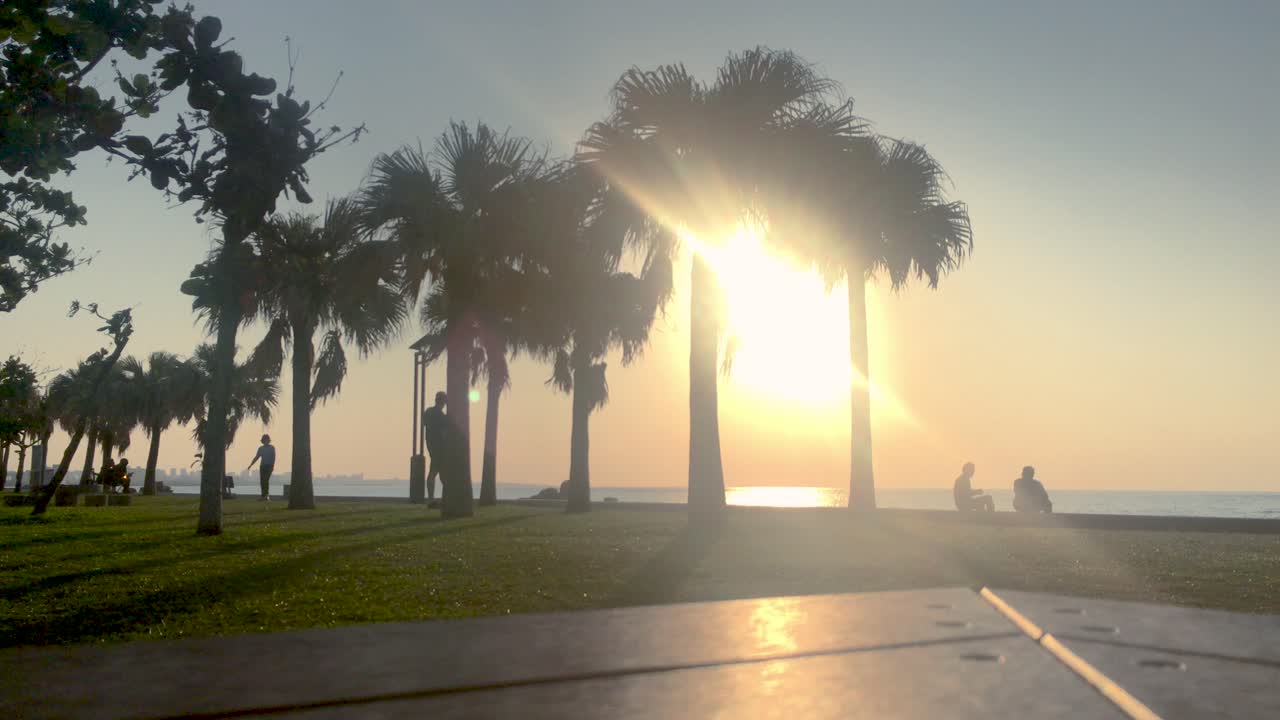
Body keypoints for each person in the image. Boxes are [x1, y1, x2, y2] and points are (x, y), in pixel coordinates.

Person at [422, 391, 447, 503]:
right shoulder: (441, 416)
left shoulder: (428, 412)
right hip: (439, 447)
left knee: (439, 471)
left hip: (430, 445)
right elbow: (444, 432)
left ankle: (433, 498)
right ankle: (431, 499)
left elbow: (425, 425)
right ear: (443, 402)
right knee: (435, 472)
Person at [247, 434, 276, 501]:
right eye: (264, 440)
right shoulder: (260, 448)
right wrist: (251, 465)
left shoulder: (272, 448)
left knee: (266, 480)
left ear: (268, 440)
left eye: (267, 440)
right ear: (263, 441)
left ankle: (266, 495)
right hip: (262, 466)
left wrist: (272, 466)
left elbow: (273, 457)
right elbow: (256, 457)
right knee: (262, 481)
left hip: (269, 466)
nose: (266, 441)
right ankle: (263, 495)